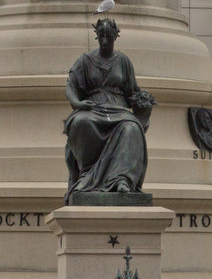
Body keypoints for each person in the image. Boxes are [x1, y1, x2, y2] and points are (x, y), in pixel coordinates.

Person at [63, 18, 153, 200]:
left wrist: (143, 103)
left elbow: (133, 93)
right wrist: (78, 104)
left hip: (118, 110)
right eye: (101, 35)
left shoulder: (123, 61)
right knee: (81, 122)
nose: (105, 40)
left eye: (108, 36)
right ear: (96, 36)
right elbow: (70, 87)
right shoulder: (85, 60)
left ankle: (122, 179)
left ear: (115, 36)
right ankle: (86, 176)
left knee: (131, 127)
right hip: (92, 109)